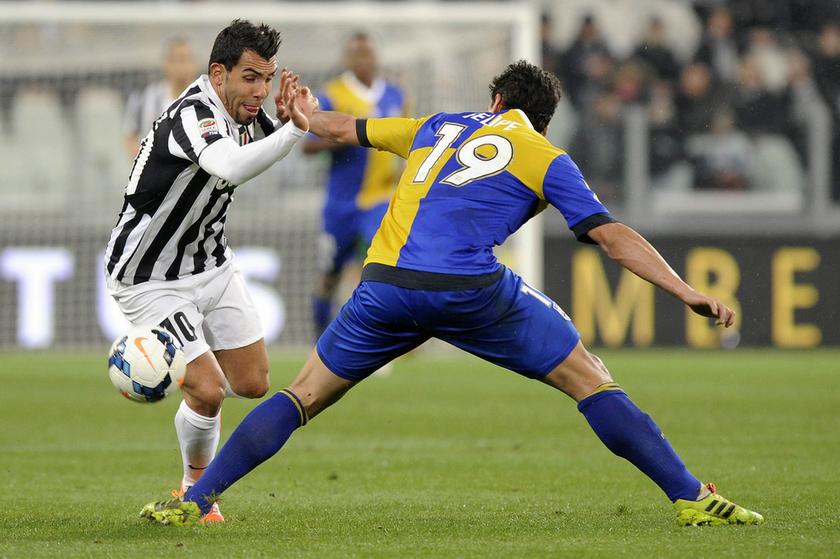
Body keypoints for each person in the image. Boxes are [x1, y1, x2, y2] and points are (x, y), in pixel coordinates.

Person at [141, 61, 764, 527]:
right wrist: (684, 290)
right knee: (590, 378)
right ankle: (691, 498)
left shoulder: (436, 125)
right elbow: (611, 236)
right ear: (540, 119)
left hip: (383, 285)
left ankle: (193, 500)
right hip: (468, 289)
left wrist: (302, 111)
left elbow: (334, 127)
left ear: (493, 101)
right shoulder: (546, 155)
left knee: (301, 396)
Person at [105, 19, 310, 523]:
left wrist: (299, 115)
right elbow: (233, 166)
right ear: (218, 74)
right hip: (149, 275)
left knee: (254, 382)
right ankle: (195, 492)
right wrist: (295, 130)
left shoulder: (247, 109)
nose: (260, 91)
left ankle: (195, 458)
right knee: (209, 388)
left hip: (211, 262)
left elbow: (279, 135)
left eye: (267, 78)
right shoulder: (194, 114)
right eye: (250, 78)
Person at [303, 32, 408, 339]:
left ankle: (377, 341)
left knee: (380, 266)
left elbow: (406, 141)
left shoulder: (396, 94)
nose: (364, 59)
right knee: (329, 276)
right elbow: (308, 146)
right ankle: (319, 340)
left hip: (380, 199)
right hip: (340, 204)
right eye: (357, 53)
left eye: (368, 53)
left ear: (376, 57)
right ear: (347, 59)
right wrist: (342, 135)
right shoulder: (331, 95)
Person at [123, 37, 199, 158]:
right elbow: (130, 134)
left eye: (188, 59)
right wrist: (142, 161)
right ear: (167, 64)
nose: (184, 65)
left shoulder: (204, 101)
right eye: (179, 59)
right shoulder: (147, 97)